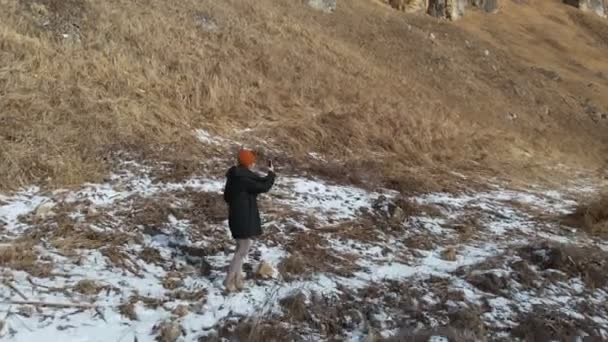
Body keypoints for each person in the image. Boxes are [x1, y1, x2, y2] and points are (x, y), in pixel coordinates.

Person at [222, 148, 276, 292]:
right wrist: (272, 173)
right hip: (243, 218)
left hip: (236, 216)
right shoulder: (244, 179)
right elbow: (263, 186)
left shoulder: (235, 176)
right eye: (252, 162)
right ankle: (228, 281)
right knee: (243, 249)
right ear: (248, 163)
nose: (253, 164)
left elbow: (227, 197)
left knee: (241, 248)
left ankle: (238, 279)